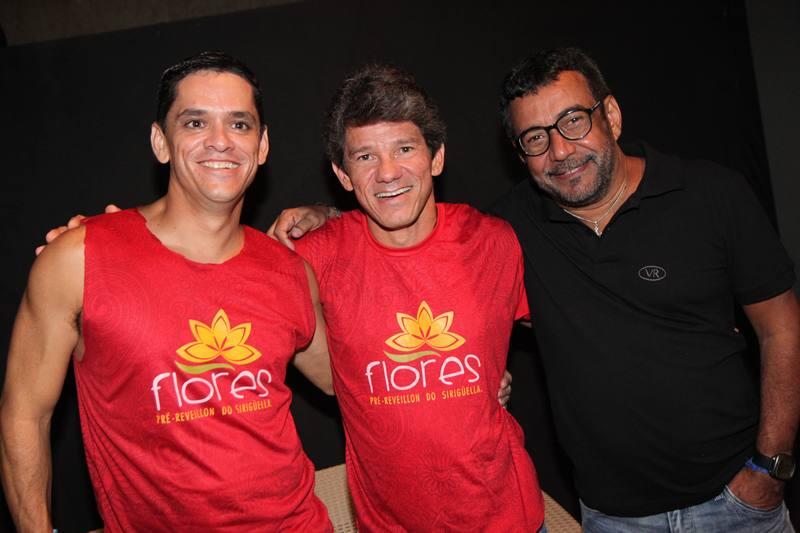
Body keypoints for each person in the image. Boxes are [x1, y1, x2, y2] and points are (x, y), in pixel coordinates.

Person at [272, 47, 800, 532]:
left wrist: (771, 467)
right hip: (613, 513)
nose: (561, 149)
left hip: (735, 496)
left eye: (573, 121)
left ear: (612, 116)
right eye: (536, 138)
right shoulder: (512, 227)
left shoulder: (707, 195)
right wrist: (323, 216)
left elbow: (781, 326)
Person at [0, 51, 333, 531]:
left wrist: (336, 218)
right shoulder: (79, 258)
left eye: (239, 124)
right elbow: (24, 416)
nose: (220, 140)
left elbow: (350, 381)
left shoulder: (289, 270)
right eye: (195, 122)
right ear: (161, 142)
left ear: (261, 146)